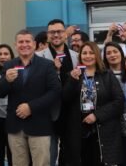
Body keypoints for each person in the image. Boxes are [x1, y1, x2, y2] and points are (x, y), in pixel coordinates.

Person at [0, 30, 61, 166]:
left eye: (27, 41)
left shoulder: (47, 65)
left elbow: (55, 92)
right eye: (20, 42)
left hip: (39, 125)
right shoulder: (9, 65)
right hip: (15, 126)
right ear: (15, 45)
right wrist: (6, 80)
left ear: (34, 44)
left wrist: (31, 107)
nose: (24, 45)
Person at [61, 42, 124, 166]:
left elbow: (119, 101)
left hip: (103, 131)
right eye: (84, 53)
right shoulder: (73, 75)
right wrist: (72, 81)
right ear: (80, 56)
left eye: (91, 53)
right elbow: (65, 99)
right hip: (79, 131)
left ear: (97, 55)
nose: (88, 56)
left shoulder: (107, 75)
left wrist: (97, 115)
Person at [35, 19, 78, 166]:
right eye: (52, 32)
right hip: (48, 114)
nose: (56, 35)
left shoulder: (76, 56)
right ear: (48, 35)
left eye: (59, 31)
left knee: (71, 156)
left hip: (71, 113)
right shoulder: (38, 57)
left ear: (66, 34)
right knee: (48, 157)